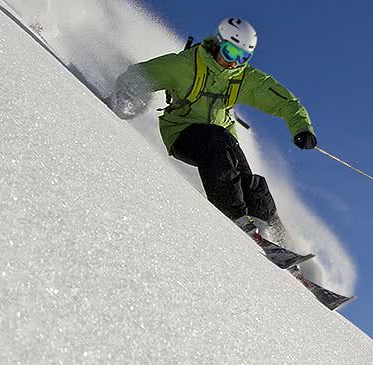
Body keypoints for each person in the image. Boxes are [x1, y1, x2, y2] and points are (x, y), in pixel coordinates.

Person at [109, 17, 317, 246]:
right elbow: (141, 74)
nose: (233, 63)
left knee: (250, 182)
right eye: (229, 52)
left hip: (223, 141)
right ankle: (235, 218)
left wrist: (301, 128)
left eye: (242, 57)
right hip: (182, 133)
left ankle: (279, 239)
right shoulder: (184, 66)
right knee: (215, 141)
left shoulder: (244, 78)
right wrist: (124, 97)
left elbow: (286, 102)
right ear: (218, 43)